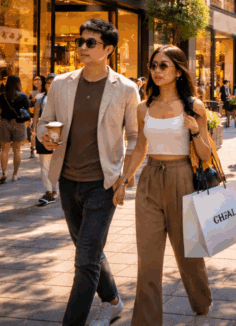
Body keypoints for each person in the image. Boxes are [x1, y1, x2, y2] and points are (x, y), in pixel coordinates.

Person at [37, 19, 139, 326]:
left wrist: (125, 179)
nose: (82, 47)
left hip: (103, 184)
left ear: (108, 49)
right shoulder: (61, 83)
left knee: (84, 259)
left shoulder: (125, 89)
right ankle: (112, 300)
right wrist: (44, 136)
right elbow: (45, 121)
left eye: (90, 43)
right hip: (67, 182)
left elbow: (134, 136)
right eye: (80, 42)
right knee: (89, 251)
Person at [111, 45, 212, 326]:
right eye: (153, 65)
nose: (156, 71)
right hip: (150, 179)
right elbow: (140, 147)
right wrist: (123, 180)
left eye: (163, 66)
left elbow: (205, 153)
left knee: (189, 252)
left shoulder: (194, 106)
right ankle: (145, 321)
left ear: (178, 70)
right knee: (148, 258)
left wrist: (194, 130)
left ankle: (201, 300)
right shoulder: (144, 108)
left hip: (183, 178)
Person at [0, 75, 30, 184]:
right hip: (19, 123)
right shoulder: (23, 96)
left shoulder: (2, 96)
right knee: (17, 150)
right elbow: (28, 111)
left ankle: (4, 173)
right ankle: (15, 174)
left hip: (5, 122)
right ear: (19, 83)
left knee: (4, 150)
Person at [32, 73, 58, 205]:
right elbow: (36, 117)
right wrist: (34, 132)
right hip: (43, 134)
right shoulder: (40, 99)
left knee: (58, 164)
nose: (50, 85)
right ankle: (49, 192)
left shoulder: (64, 99)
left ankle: (56, 190)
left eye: (53, 82)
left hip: (59, 135)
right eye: (48, 83)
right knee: (45, 165)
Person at [28, 74, 45, 158]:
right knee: (33, 132)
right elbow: (29, 106)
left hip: (45, 115)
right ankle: (32, 149)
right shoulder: (32, 93)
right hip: (35, 116)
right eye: (35, 79)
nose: (37, 81)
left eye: (38, 79)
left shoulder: (47, 92)